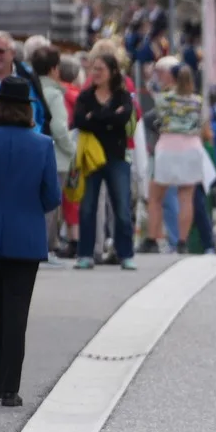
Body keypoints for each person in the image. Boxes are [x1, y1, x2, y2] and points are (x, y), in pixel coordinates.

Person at [0, 76, 63, 408]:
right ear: (28, 110)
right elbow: (51, 197)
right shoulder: (43, 145)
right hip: (26, 236)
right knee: (17, 311)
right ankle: (9, 387)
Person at [71, 53, 137, 271]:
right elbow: (80, 120)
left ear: (112, 72)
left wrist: (96, 117)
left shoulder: (122, 96)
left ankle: (125, 253)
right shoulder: (86, 96)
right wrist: (108, 117)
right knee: (87, 206)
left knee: (121, 208)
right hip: (92, 159)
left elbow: (124, 117)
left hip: (117, 157)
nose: (95, 73)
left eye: (100, 69)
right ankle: (85, 254)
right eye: (93, 69)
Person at [146, 65, 209, 254]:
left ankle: (151, 239)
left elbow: (155, 121)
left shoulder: (164, 99)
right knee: (186, 197)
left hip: (168, 146)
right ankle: (182, 241)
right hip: (191, 147)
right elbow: (202, 125)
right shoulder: (198, 101)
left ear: (172, 79)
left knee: (156, 196)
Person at [30, 47, 77, 257]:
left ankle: (40, 246)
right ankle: (44, 248)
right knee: (51, 205)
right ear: (54, 69)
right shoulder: (55, 94)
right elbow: (59, 127)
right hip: (57, 156)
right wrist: (73, 150)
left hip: (35, 153)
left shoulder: (31, 89)